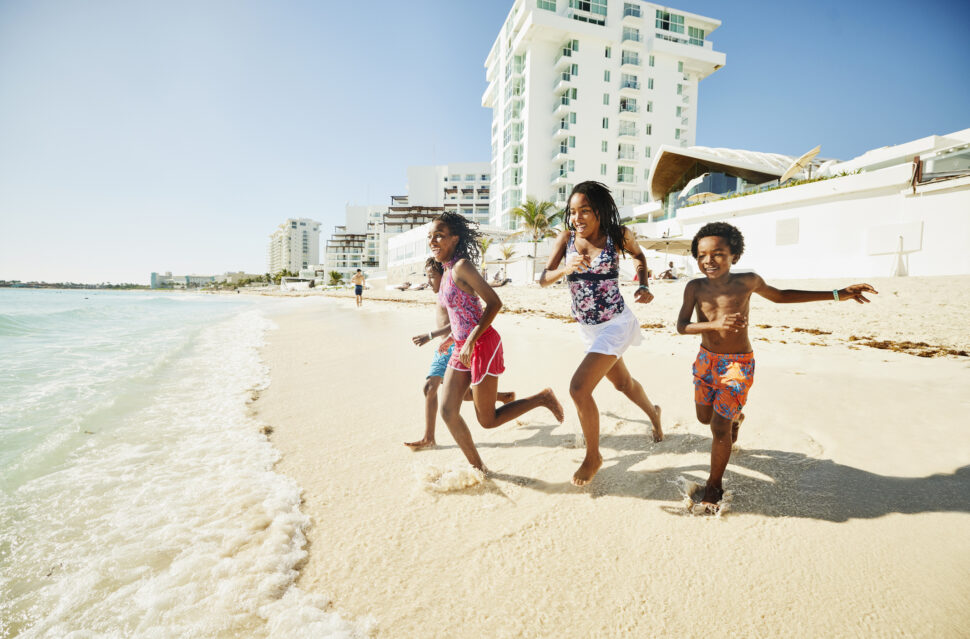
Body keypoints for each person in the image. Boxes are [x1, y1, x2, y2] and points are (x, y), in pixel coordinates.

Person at [676, 221, 877, 514]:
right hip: (705, 361)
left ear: (734, 256)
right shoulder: (694, 287)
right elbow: (682, 326)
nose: (709, 260)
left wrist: (837, 293)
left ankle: (714, 485)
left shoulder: (747, 281)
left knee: (718, 429)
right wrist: (714, 324)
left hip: (737, 366)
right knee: (704, 418)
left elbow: (782, 295)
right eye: (702, 254)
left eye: (718, 253)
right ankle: (735, 419)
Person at [539, 181, 664, 486]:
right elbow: (543, 279)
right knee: (623, 383)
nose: (576, 218)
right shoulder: (566, 238)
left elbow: (639, 257)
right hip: (587, 328)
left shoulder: (617, 236)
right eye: (572, 211)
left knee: (579, 388)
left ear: (599, 212)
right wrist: (565, 269)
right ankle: (654, 412)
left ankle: (593, 456)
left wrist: (643, 283)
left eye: (584, 211)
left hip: (616, 323)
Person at [430, 212, 564, 472]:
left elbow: (494, 303)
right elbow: (461, 313)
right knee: (447, 411)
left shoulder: (461, 267)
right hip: (462, 346)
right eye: (430, 237)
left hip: (483, 344)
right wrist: (451, 339)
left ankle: (542, 398)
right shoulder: (446, 272)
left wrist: (469, 340)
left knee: (488, 421)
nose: (433, 241)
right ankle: (479, 469)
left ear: (454, 238)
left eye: (439, 235)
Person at [406, 257, 514, 450]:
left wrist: (431, 335)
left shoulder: (453, 285)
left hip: (457, 344)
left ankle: (429, 438)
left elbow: (462, 318)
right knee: (461, 396)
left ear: (443, 274)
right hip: (449, 343)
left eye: (432, 276)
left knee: (431, 388)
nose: (429, 280)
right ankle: (501, 397)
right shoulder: (442, 292)